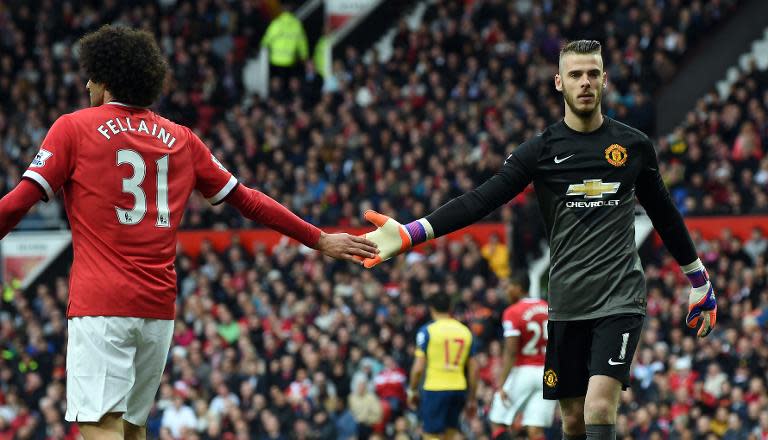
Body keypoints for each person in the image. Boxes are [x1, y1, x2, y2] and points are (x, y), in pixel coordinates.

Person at [0, 25, 377, 440]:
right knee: (131, 428)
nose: (86, 84)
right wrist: (318, 238)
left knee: (100, 426)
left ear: (106, 81)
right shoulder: (182, 139)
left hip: (101, 304)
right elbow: (247, 199)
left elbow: (19, 202)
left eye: (91, 76)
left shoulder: (74, 128)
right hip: (158, 309)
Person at [360, 40, 717, 440]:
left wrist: (698, 279)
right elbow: (482, 200)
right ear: (559, 83)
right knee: (572, 419)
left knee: (599, 404)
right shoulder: (542, 150)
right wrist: (411, 233)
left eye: (593, 74)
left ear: (604, 81)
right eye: (576, 75)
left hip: (620, 296)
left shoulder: (633, 146)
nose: (585, 82)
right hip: (566, 299)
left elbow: (664, 212)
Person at [488, 274, 555, 440]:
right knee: (535, 431)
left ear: (518, 288)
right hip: (548, 374)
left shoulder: (512, 312)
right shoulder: (548, 307)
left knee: (497, 421)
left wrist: (501, 382)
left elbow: (511, 351)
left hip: (524, 370)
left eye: (509, 287)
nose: (506, 291)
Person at [408, 292, 478, 440]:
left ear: (431, 308)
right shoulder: (465, 331)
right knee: (451, 433)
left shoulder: (427, 331)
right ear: (450, 307)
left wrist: (412, 390)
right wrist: (471, 398)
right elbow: (474, 369)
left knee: (430, 434)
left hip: (435, 388)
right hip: (459, 388)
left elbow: (418, 368)